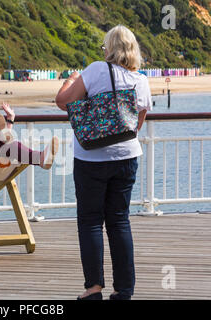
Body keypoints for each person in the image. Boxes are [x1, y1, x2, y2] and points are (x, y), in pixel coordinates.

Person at [55, 25, 152, 300]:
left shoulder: (97, 69)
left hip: (91, 158)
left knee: (90, 222)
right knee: (120, 221)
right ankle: (124, 290)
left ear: (109, 49)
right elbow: (136, 125)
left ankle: (93, 288)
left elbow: (63, 102)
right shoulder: (142, 81)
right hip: (126, 158)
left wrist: (71, 79)